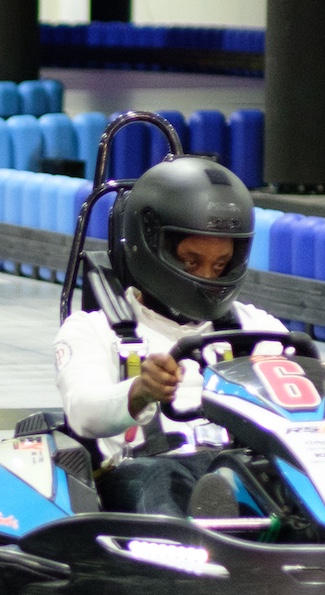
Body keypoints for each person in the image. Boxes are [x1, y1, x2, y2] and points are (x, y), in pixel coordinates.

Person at [54, 156, 303, 519]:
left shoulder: (253, 326)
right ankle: (210, 524)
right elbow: (84, 412)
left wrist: (318, 384)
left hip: (240, 471)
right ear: (152, 248)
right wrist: (140, 391)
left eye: (220, 264)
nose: (208, 277)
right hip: (145, 476)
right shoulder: (93, 329)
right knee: (162, 478)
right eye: (191, 261)